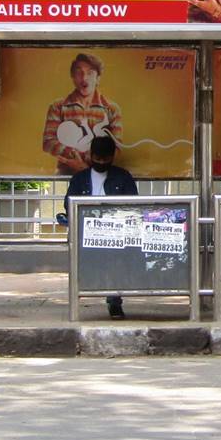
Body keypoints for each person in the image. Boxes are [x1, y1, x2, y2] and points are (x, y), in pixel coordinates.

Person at [65, 135, 138, 319]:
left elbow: (134, 205)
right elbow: (68, 203)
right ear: (91, 155)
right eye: (98, 158)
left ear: (112, 156)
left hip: (116, 232)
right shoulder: (79, 179)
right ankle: (79, 299)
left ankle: (114, 302)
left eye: (105, 158)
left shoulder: (122, 177)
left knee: (116, 264)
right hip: (87, 232)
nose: (101, 162)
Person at [41, 53, 123, 175]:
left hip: (102, 177)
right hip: (66, 177)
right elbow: (48, 142)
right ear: (73, 77)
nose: (84, 78)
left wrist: (85, 166)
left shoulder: (112, 109)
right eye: (79, 72)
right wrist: (78, 157)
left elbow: (117, 148)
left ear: (98, 78)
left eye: (90, 73)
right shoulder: (58, 106)